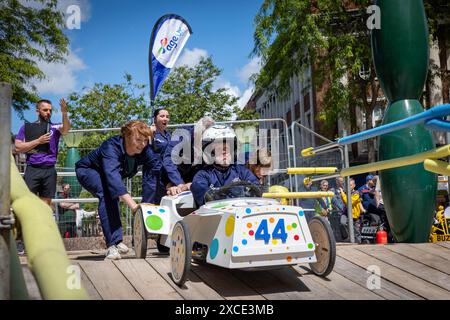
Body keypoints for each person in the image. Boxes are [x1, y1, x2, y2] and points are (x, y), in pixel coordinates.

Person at [76, 120, 184, 260]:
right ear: (126, 135)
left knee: (111, 193)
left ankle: (118, 241)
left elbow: (156, 168)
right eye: (138, 140)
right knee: (107, 194)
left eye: (145, 140)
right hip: (88, 171)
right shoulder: (110, 147)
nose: (142, 144)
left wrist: (169, 185)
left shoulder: (145, 150)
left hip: (108, 175)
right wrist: (134, 206)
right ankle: (111, 246)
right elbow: (113, 178)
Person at [15, 99, 71, 205]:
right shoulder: (27, 127)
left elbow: (66, 129)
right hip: (32, 169)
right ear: (37, 111)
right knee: (28, 203)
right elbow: (18, 147)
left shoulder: (55, 127)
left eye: (50, 110)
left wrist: (64, 113)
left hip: (49, 171)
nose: (48, 113)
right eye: (45, 110)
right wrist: (38, 141)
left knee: (45, 205)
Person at [191, 125, 260, 207]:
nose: (225, 152)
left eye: (227, 148)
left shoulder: (241, 171)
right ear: (210, 153)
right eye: (219, 149)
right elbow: (203, 197)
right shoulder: (203, 176)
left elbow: (256, 189)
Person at [142, 108, 185, 204]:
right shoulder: (150, 133)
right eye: (162, 116)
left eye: (167, 116)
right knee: (149, 203)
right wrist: (149, 134)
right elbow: (145, 151)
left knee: (165, 203)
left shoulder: (169, 136)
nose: (165, 119)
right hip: (153, 176)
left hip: (167, 175)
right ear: (154, 119)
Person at [340, 178, 366, 243]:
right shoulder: (345, 193)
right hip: (346, 213)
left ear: (354, 185)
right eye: (348, 185)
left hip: (354, 215)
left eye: (350, 185)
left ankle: (358, 242)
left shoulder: (356, 193)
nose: (349, 187)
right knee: (342, 222)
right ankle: (346, 237)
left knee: (356, 231)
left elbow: (349, 202)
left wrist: (342, 193)